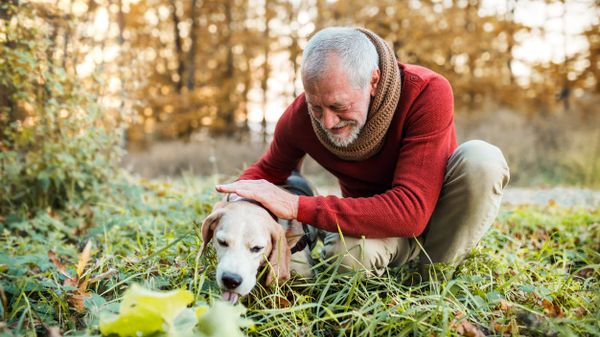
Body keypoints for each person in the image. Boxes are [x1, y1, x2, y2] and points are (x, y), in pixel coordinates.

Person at [215, 26, 510, 277]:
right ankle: (381, 273)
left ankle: (432, 277)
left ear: (373, 80)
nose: (327, 121)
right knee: (347, 253)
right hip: (376, 230)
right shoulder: (301, 117)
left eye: (339, 107)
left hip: (440, 224)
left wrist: (297, 207)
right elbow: (267, 171)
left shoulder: (426, 92)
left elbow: (411, 212)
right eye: (316, 106)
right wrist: (235, 202)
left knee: (482, 160)